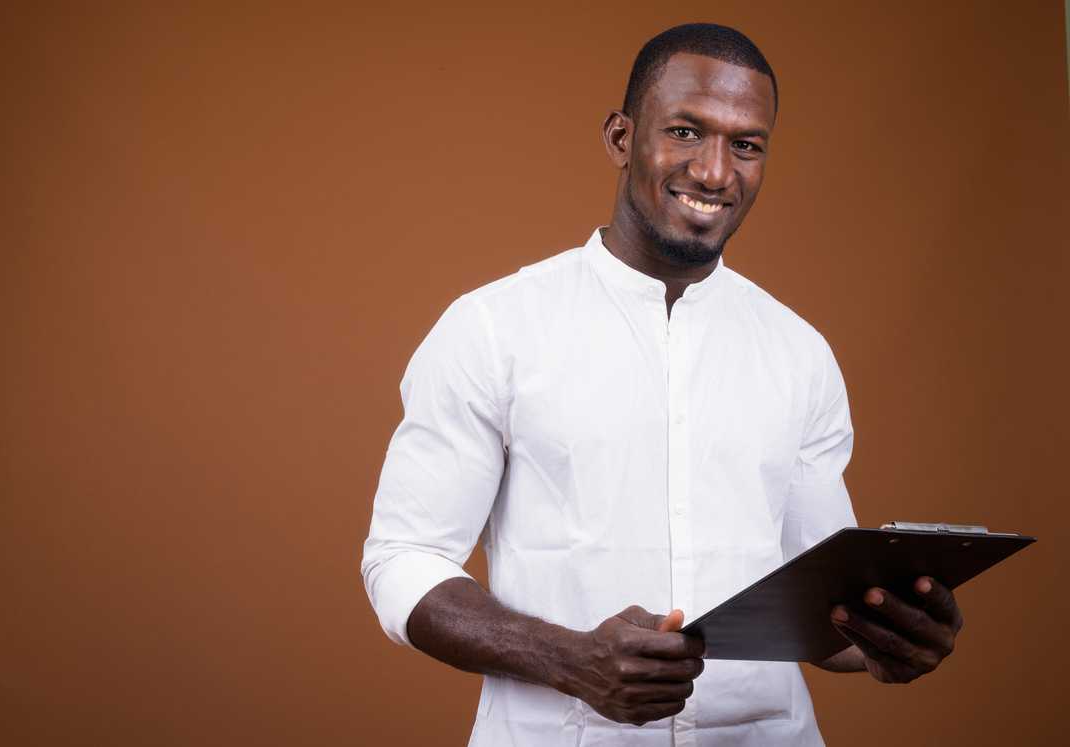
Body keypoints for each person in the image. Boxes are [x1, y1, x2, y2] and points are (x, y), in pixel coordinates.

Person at [361, 22, 964, 746]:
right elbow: (403, 559)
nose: (715, 172)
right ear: (621, 137)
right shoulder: (492, 328)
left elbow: (817, 608)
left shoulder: (800, 353)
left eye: (746, 144)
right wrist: (569, 657)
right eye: (685, 131)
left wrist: (884, 640)